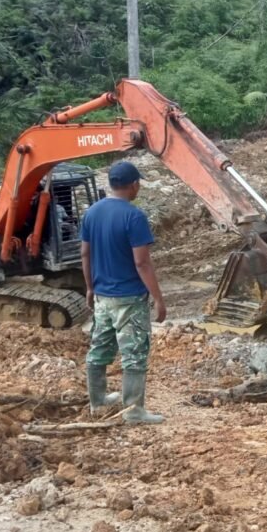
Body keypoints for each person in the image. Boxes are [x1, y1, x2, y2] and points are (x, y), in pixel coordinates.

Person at [80, 161, 167, 424]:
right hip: (129, 298)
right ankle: (134, 411)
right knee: (134, 354)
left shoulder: (92, 213)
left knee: (98, 350)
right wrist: (159, 298)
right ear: (134, 185)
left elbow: (85, 253)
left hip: (103, 297)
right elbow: (142, 262)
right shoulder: (134, 216)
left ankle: (97, 402)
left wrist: (89, 287)